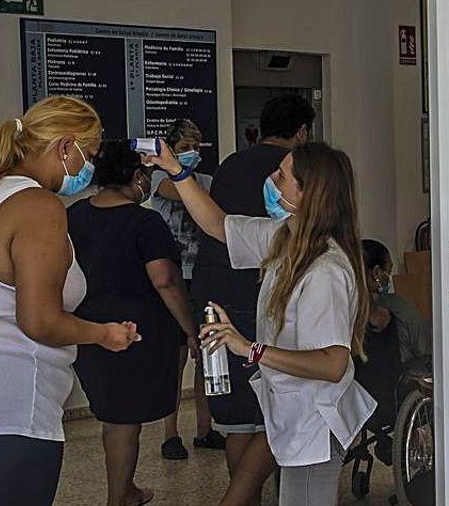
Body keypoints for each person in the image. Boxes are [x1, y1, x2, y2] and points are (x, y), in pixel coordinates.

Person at [0, 96, 140, 506]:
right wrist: (104, 334)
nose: (89, 168)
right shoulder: (37, 206)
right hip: (2, 412)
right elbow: (39, 320)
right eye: (87, 155)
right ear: (64, 146)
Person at [150, 140, 376, 506]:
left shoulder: (326, 271)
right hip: (293, 412)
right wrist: (177, 171)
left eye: (282, 176)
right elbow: (217, 225)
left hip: (315, 420)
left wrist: (250, 348)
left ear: (308, 193)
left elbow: (333, 363)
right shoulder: (286, 237)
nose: (271, 180)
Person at [190, 93, 314, 505]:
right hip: (260, 306)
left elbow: (215, 224)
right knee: (272, 420)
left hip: (221, 297)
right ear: (301, 132)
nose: (275, 180)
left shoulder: (230, 166)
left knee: (240, 421)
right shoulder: (292, 211)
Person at [67, 140, 200, 506]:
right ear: (138, 177)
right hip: (135, 332)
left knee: (115, 416)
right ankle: (119, 497)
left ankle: (125, 488)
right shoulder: (145, 222)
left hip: (87, 327)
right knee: (125, 419)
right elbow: (165, 280)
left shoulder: (75, 215)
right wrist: (190, 329)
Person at [149, 118, 224, 460]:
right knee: (175, 358)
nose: (191, 154)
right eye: (183, 149)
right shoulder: (160, 179)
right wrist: (180, 172)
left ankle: (205, 429)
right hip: (174, 278)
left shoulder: (207, 181)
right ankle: (170, 434)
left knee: (207, 355)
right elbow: (179, 190)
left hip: (204, 275)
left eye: (196, 147)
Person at [362, 239, 430, 367]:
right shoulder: (399, 307)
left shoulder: (341, 308)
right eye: (388, 271)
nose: (389, 278)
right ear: (376, 272)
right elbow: (422, 352)